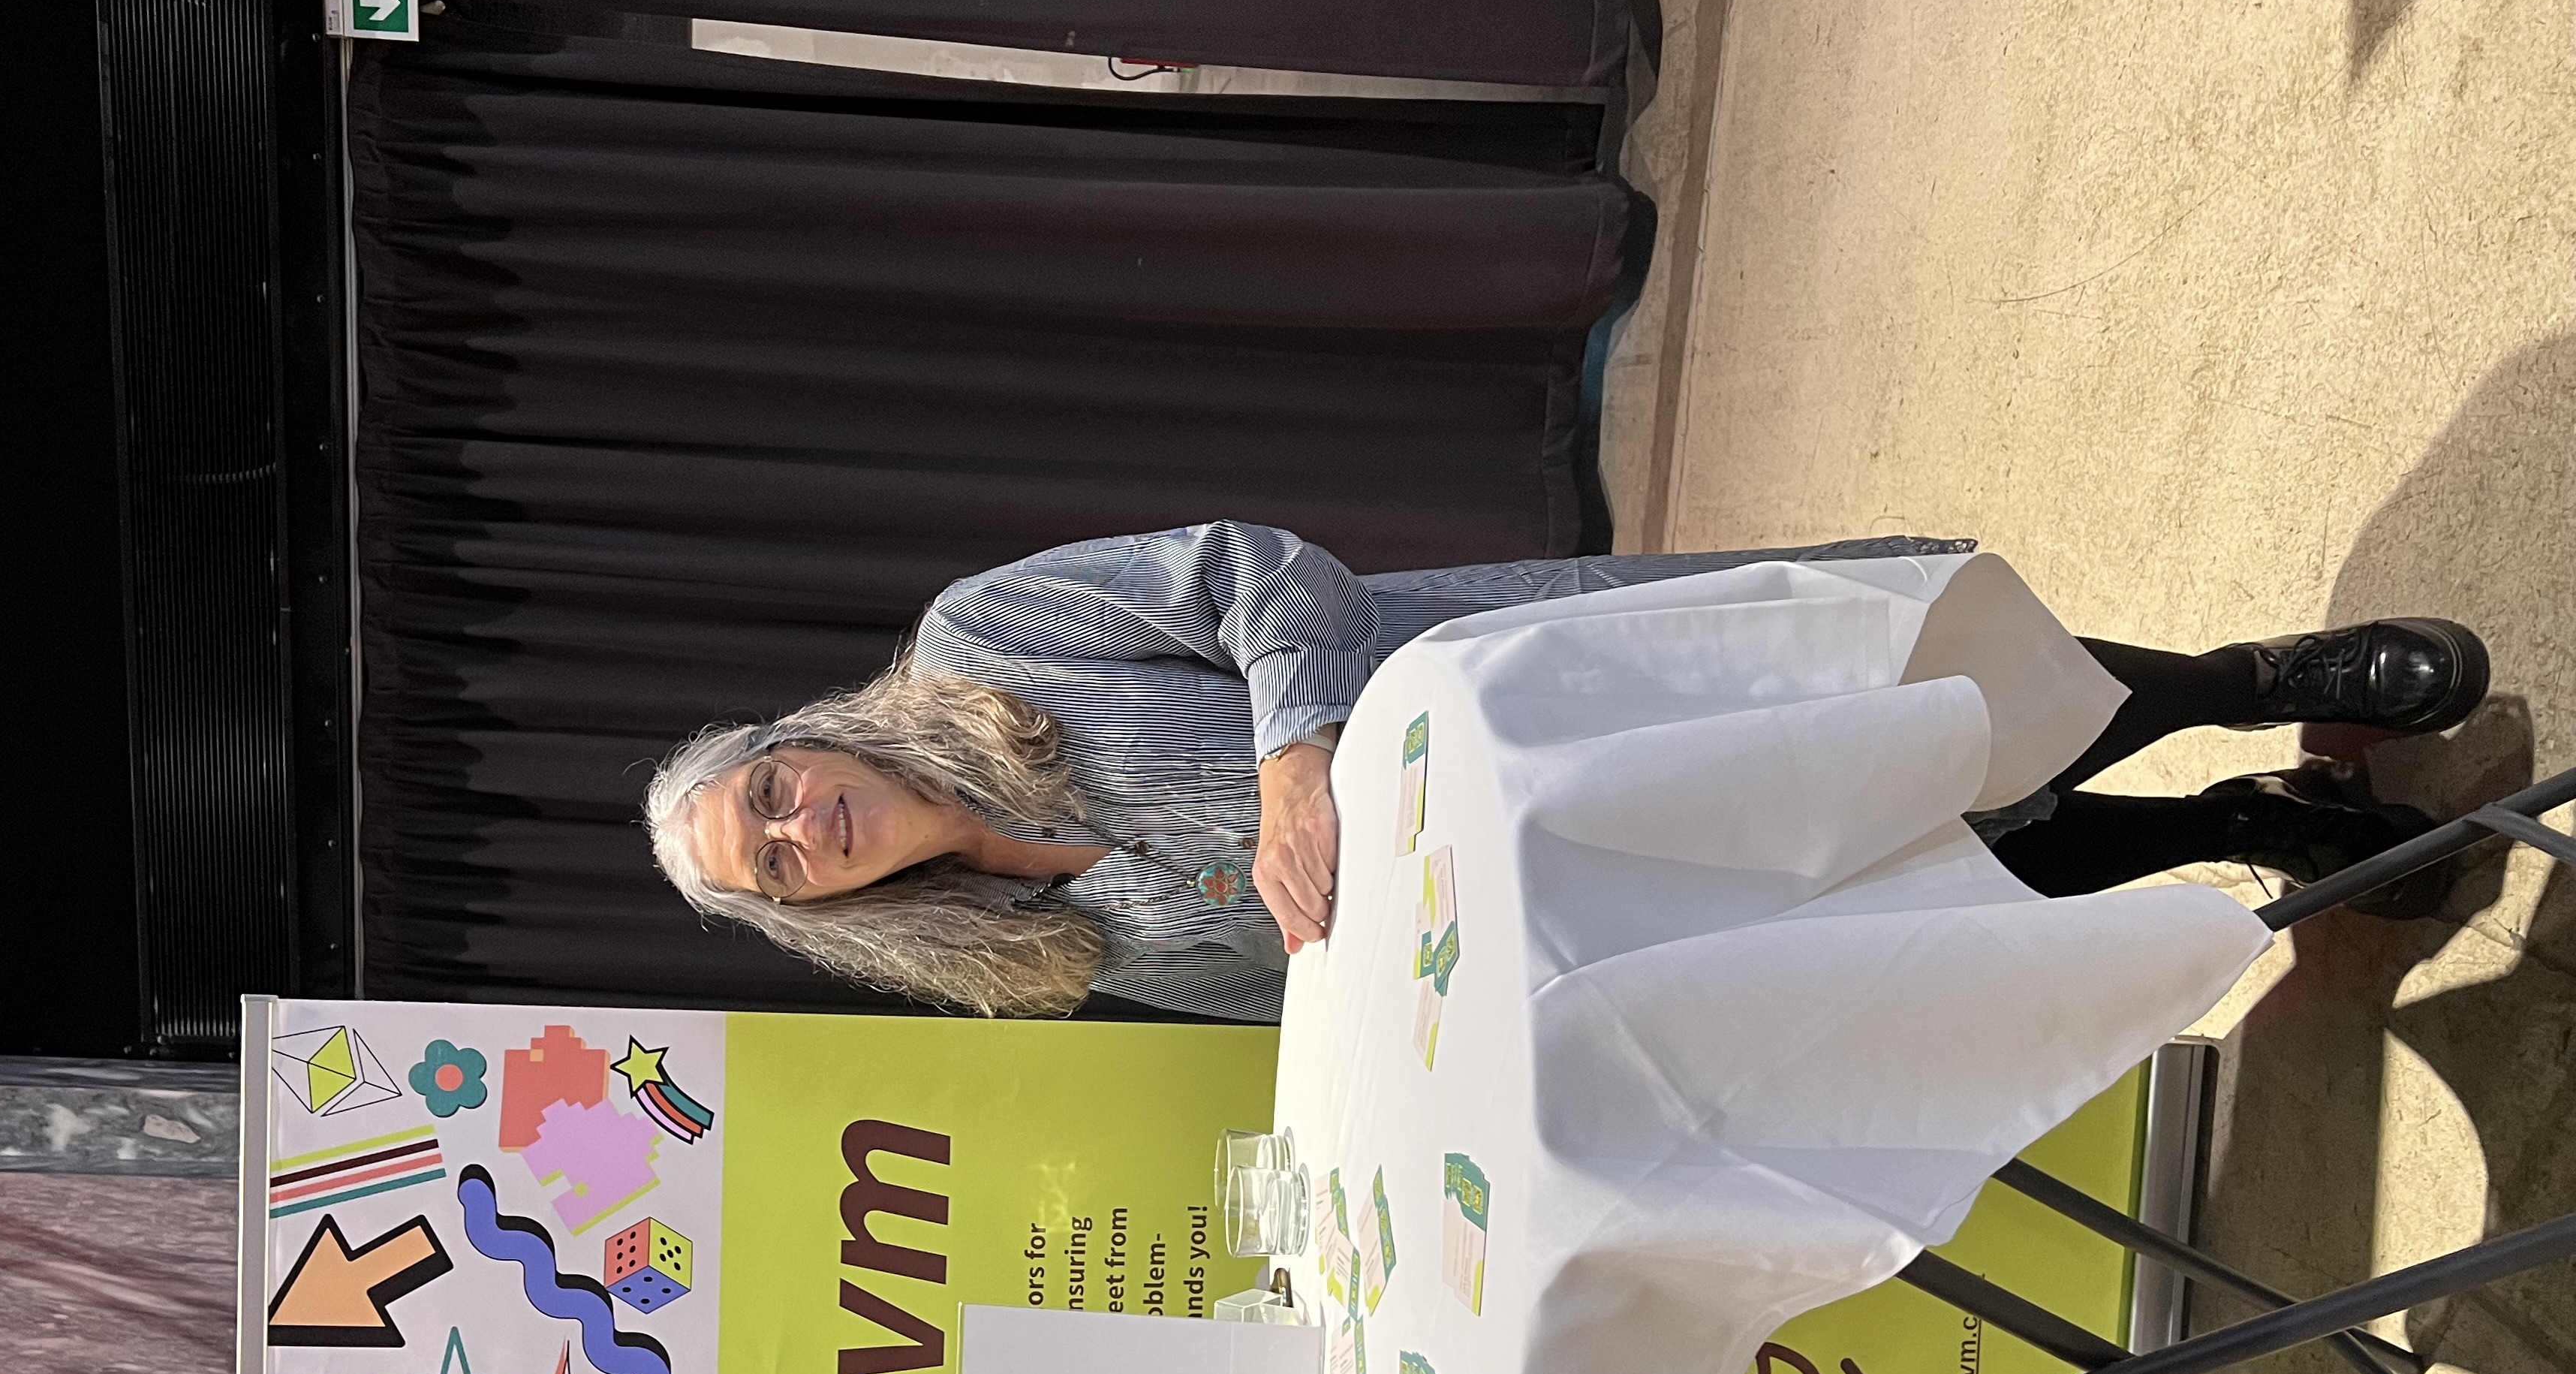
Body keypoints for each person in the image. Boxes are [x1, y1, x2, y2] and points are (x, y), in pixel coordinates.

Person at [647, 523, 2489, 1021]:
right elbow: (1284, 999)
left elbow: (1258, 571)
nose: (804, 826)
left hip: (1576, 694)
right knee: (1918, 859)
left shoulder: (987, 639)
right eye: (782, 865)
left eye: (776, 792)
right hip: (1582, 884)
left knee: (1936, 711)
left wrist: (1297, 757)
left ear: (798, 743)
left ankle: (2266, 685)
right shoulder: (1014, 953)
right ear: (830, 914)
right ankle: (2248, 830)